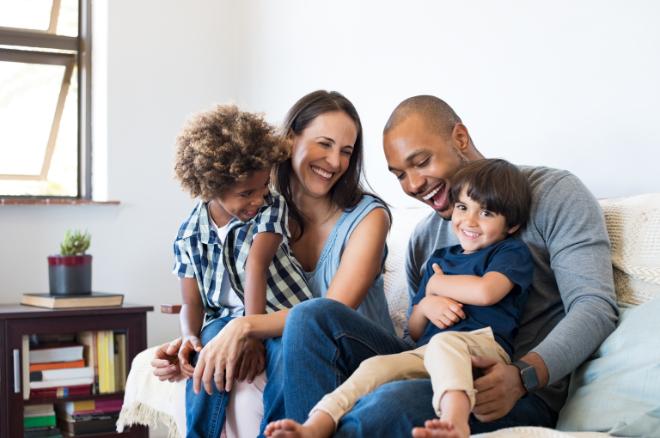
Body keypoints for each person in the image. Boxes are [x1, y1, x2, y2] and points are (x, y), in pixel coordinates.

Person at [278, 95, 619, 436]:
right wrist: (427, 305)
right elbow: (416, 334)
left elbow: (594, 307)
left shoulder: (554, 194)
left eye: (421, 162)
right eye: (400, 175)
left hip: (507, 386)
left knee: (387, 405)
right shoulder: (425, 237)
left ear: (459, 138)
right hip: (434, 362)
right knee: (310, 317)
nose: (413, 186)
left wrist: (524, 375)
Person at [151, 90, 394, 437]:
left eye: (346, 151)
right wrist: (192, 342)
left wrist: (245, 327)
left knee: (299, 330)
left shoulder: (368, 218)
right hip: (295, 342)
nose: (335, 161)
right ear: (290, 139)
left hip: (357, 352)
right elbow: (218, 291)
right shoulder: (258, 208)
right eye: (324, 144)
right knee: (218, 345)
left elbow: (329, 314)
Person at [265, 158, 534, 438]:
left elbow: (486, 291)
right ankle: (315, 425)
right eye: (463, 207)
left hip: (483, 348)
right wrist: (427, 302)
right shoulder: (440, 258)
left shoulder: (509, 252)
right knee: (375, 367)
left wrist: (438, 285)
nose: (469, 221)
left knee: (446, 342)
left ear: (511, 225)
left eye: (486, 213)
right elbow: (415, 329)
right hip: (427, 352)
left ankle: (455, 423)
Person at [167, 104, 315, 436]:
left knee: (284, 357)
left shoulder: (271, 206)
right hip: (223, 320)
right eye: (246, 193)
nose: (258, 200)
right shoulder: (189, 234)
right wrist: (190, 336)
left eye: (263, 187)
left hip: (280, 313)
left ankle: (277, 432)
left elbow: (256, 267)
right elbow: (192, 303)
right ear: (210, 187)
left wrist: (252, 334)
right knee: (208, 351)